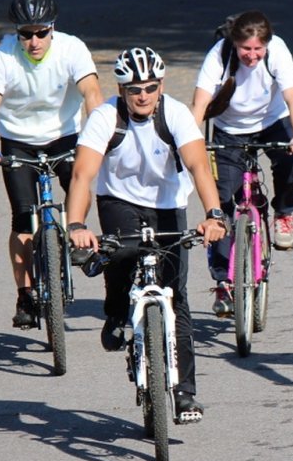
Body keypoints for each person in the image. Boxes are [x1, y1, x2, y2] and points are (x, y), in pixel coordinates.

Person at [65, 47, 228, 422]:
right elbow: (83, 175)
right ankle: (116, 312)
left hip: (168, 205)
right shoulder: (106, 116)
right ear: (121, 89)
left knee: (177, 296)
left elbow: (199, 165)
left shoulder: (176, 115)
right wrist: (76, 225)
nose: (143, 95)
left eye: (150, 88)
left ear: (161, 86)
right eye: (134, 88)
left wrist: (214, 215)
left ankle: (185, 393)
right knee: (120, 254)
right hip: (119, 200)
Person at [0, 0, 103, 329]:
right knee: (22, 219)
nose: (34, 41)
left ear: (53, 29)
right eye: (26, 34)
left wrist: (99, 136)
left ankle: (76, 231)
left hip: (65, 137)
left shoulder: (72, 48)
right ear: (16, 33)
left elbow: (92, 93)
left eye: (41, 32)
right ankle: (26, 294)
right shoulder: (2, 56)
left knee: (82, 180)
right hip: (18, 142)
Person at [190, 10, 293, 316]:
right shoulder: (219, 55)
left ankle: (283, 213)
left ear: (267, 45)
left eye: (258, 49)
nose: (253, 56)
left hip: (272, 121)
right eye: (246, 49)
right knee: (220, 205)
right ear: (235, 43)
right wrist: (190, 144)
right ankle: (223, 282)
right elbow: (200, 104)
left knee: (291, 162)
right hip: (229, 130)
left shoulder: (278, 52)